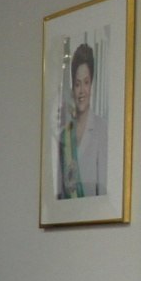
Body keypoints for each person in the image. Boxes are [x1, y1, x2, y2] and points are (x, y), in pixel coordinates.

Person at [58, 42, 107, 198]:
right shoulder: (64, 135)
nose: (81, 91)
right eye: (77, 84)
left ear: (91, 84)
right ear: (73, 88)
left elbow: (104, 193)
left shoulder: (101, 130)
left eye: (86, 83)